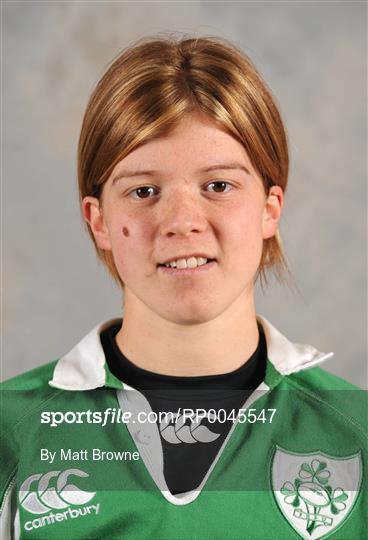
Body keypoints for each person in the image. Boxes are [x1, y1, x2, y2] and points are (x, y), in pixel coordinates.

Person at [1, 34, 366, 540]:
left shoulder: (356, 431)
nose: (181, 222)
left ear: (269, 207)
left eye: (218, 186)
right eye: (143, 190)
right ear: (99, 219)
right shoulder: (12, 430)